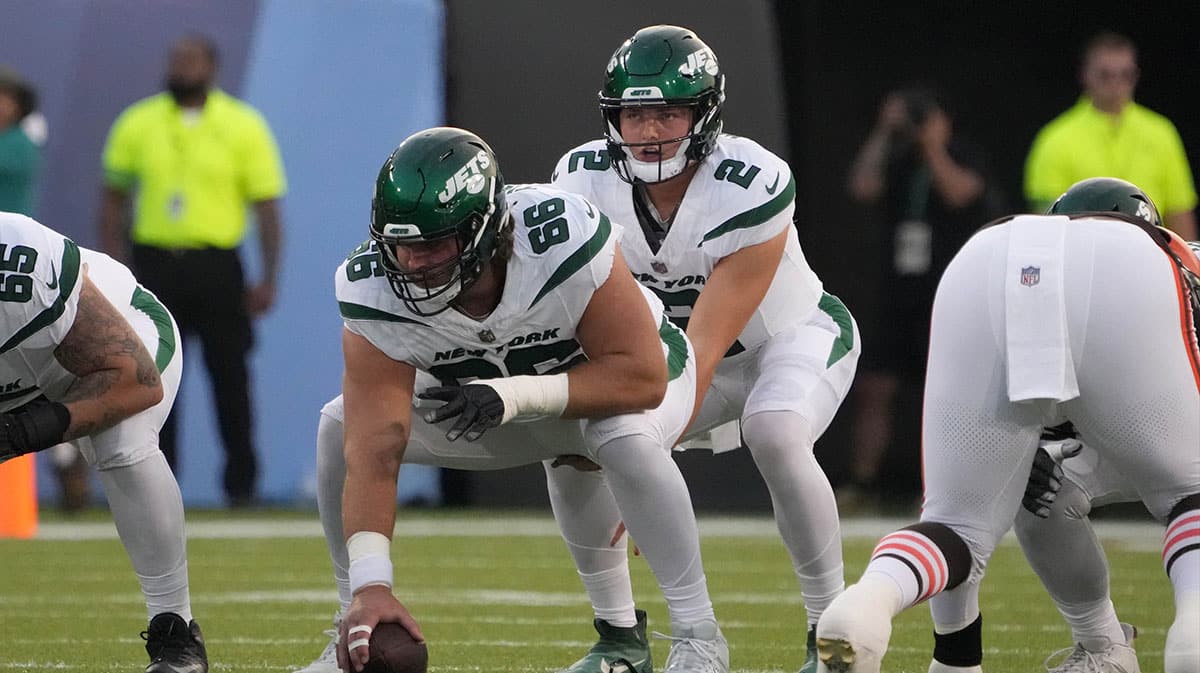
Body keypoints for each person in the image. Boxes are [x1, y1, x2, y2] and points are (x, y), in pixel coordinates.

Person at [296, 127, 729, 673]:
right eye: (399, 245)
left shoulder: (560, 238)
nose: (411, 263)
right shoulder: (371, 288)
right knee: (341, 426)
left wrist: (515, 394)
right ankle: (351, 625)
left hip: (620, 386)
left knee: (621, 437)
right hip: (487, 404)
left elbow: (640, 379)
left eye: (431, 244)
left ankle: (697, 635)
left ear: (484, 231)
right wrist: (372, 585)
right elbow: (376, 445)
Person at [549, 25, 859, 673]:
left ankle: (834, 640)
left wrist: (640, 465)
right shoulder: (580, 182)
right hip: (673, 356)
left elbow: (705, 347)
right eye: (634, 113)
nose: (650, 130)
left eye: (668, 111)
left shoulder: (752, 182)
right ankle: (619, 639)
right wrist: (618, 454)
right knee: (574, 443)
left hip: (787, 340)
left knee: (775, 431)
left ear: (705, 115)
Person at [814, 177, 1200, 673]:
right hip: (1130, 281)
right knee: (1186, 492)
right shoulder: (1165, 260)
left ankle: (871, 601)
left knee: (956, 524)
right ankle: (1171, 643)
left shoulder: (1037, 244)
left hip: (988, 255)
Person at [0, 211, 207, 672]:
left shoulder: (23, 263)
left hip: (120, 345)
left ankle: (175, 631)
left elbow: (136, 382)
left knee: (120, 441)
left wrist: (24, 432)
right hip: (20, 376)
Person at [98, 34, 286, 506]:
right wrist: (115, 269)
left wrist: (268, 276)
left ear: (212, 67)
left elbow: (267, 208)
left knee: (231, 379)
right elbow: (113, 200)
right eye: (176, 59)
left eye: (192, 60)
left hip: (217, 266)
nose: (182, 68)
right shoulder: (138, 122)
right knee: (154, 381)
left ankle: (241, 488)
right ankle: (160, 488)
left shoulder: (243, 125)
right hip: (155, 266)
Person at [844, 86, 1000, 509]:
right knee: (873, 387)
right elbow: (862, 186)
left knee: (947, 392)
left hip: (946, 292)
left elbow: (960, 193)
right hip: (898, 293)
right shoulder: (895, 157)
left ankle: (941, 488)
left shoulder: (962, 154)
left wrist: (934, 147)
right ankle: (863, 483)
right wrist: (884, 131)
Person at [1025, 31, 1197, 240]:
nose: (1116, 83)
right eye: (1105, 75)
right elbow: (1045, 221)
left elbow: (1179, 212)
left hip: (1151, 257)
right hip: (1082, 257)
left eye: (1125, 74)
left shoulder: (1162, 132)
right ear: (1085, 75)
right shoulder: (1055, 139)